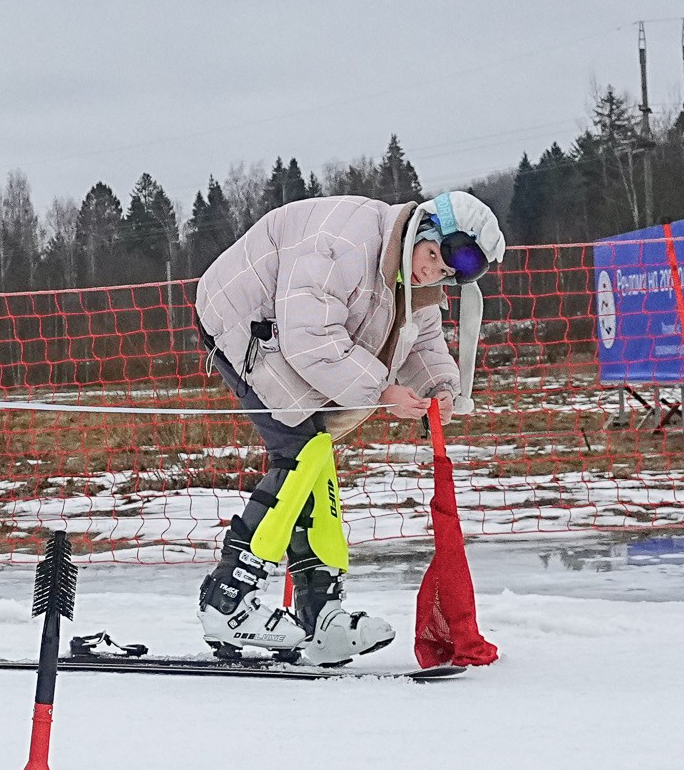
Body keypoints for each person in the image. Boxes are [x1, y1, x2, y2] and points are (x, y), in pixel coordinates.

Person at [189, 190, 505, 662]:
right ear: (421, 228)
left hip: (295, 331)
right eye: (431, 256)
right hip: (246, 319)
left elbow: (418, 340)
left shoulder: (410, 271)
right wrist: (382, 392)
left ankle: (321, 616)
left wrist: (441, 386)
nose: (431, 271)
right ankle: (226, 602)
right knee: (299, 452)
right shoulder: (344, 243)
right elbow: (309, 336)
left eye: (443, 271)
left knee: (312, 455)